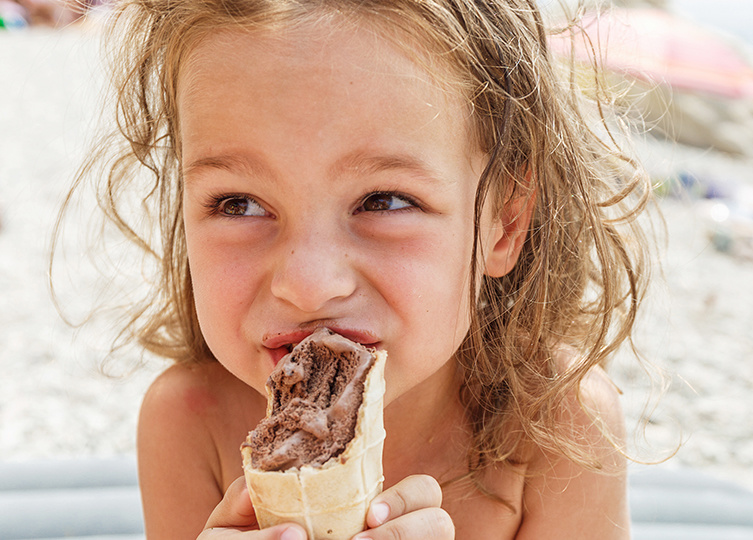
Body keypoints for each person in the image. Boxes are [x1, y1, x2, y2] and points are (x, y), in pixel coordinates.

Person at [56, 1, 655, 539]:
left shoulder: (558, 424)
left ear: (503, 223)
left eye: (385, 201)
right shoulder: (188, 421)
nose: (308, 284)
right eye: (238, 204)